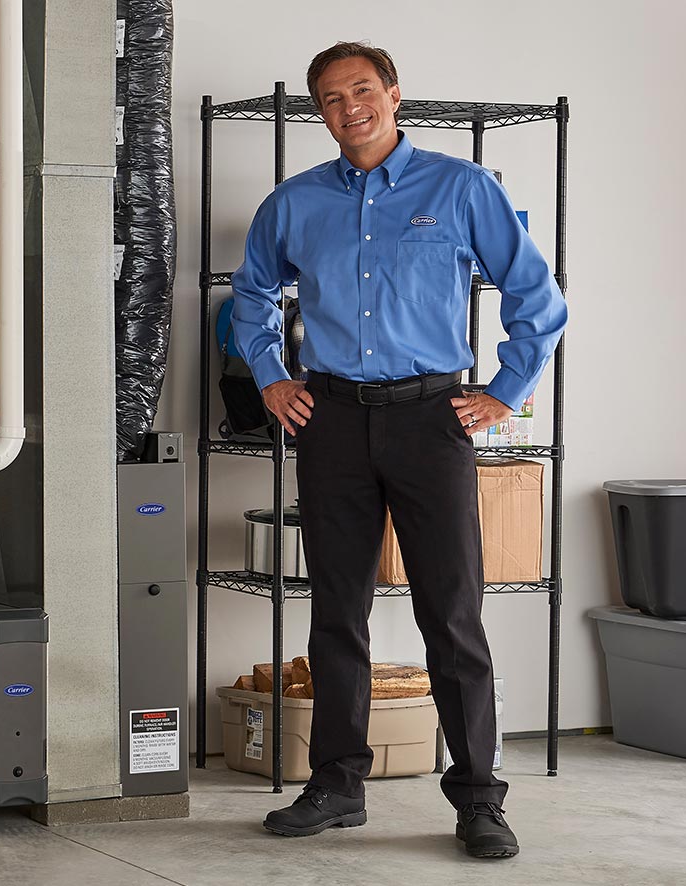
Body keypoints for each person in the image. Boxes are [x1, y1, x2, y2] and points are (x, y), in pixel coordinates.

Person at [230, 41, 567, 860]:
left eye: (362, 90)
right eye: (331, 97)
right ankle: (336, 786)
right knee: (335, 612)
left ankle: (479, 800)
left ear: (392, 94)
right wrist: (271, 377)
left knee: (450, 614)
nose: (350, 107)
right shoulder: (294, 202)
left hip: (431, 419)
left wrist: (504, 389)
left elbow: (535, 295)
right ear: (319, 112)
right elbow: (248, 294)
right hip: (332, 421)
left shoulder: (462, 187)